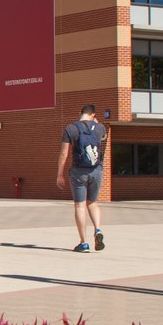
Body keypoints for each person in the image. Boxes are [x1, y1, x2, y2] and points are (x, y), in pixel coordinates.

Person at [57, 104, 108, 252]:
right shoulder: (99, 128)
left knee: (80, 205)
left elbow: (63, 153)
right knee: (93, 203)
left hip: (78, 171)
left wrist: (60, 174)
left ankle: (83, 243)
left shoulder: (71, 129)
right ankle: (98, 229)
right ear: (93, 114)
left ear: (80, 113)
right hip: (96, 170)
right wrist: (97, 124)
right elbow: (103, 138)